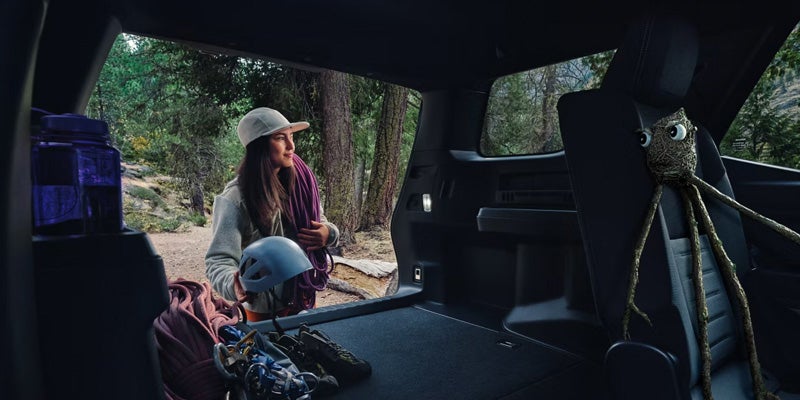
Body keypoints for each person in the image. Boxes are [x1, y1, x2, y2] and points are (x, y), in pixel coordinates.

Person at [205, 107, 339, 321]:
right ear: (259, 146)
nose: (291, 146)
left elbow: (321, 222)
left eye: (291, 136)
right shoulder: (234, 199)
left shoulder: (301, 185)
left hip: (303, 296)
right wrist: (234, 284)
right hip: (263, 308)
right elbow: (218, 260)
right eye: (280, 138)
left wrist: (328, 234)